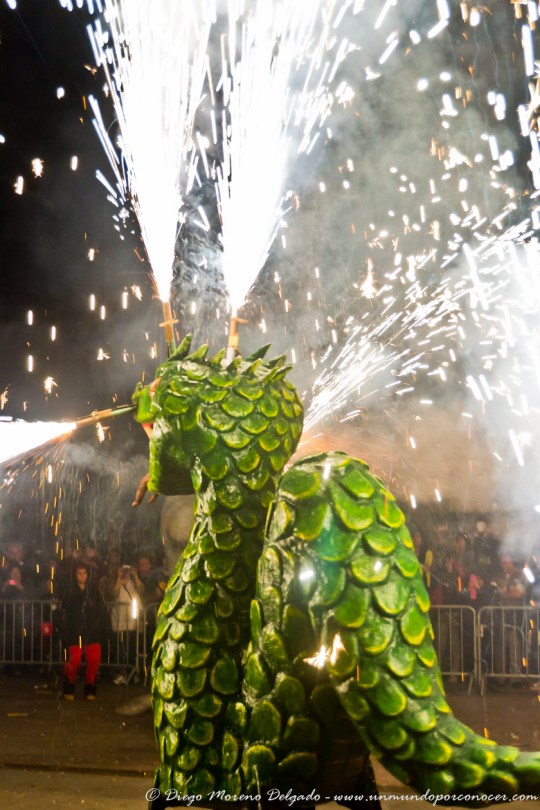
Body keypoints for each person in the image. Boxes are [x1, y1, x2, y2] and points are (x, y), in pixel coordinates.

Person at [60, 561, 107, 700]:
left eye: (84, 573)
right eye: (79, 573)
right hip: (75, 632)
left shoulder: (94, 592)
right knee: (74, 661)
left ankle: (90, 687)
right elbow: (65, 612)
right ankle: (69, 684)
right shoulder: (70, 592)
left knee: (93, 661)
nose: (82, 575)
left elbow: (101, 611)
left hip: (92, 632)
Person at [100, 562, 143, 685]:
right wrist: (118, 578)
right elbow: (112, 595)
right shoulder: (111, 582)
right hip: (119, 621)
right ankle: (121, 673)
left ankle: (133, 673)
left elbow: (142, 590)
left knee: (133, 648)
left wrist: (135, 576)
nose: (125, 572)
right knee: (120, 648)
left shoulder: (132, 581)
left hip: (133, 620)